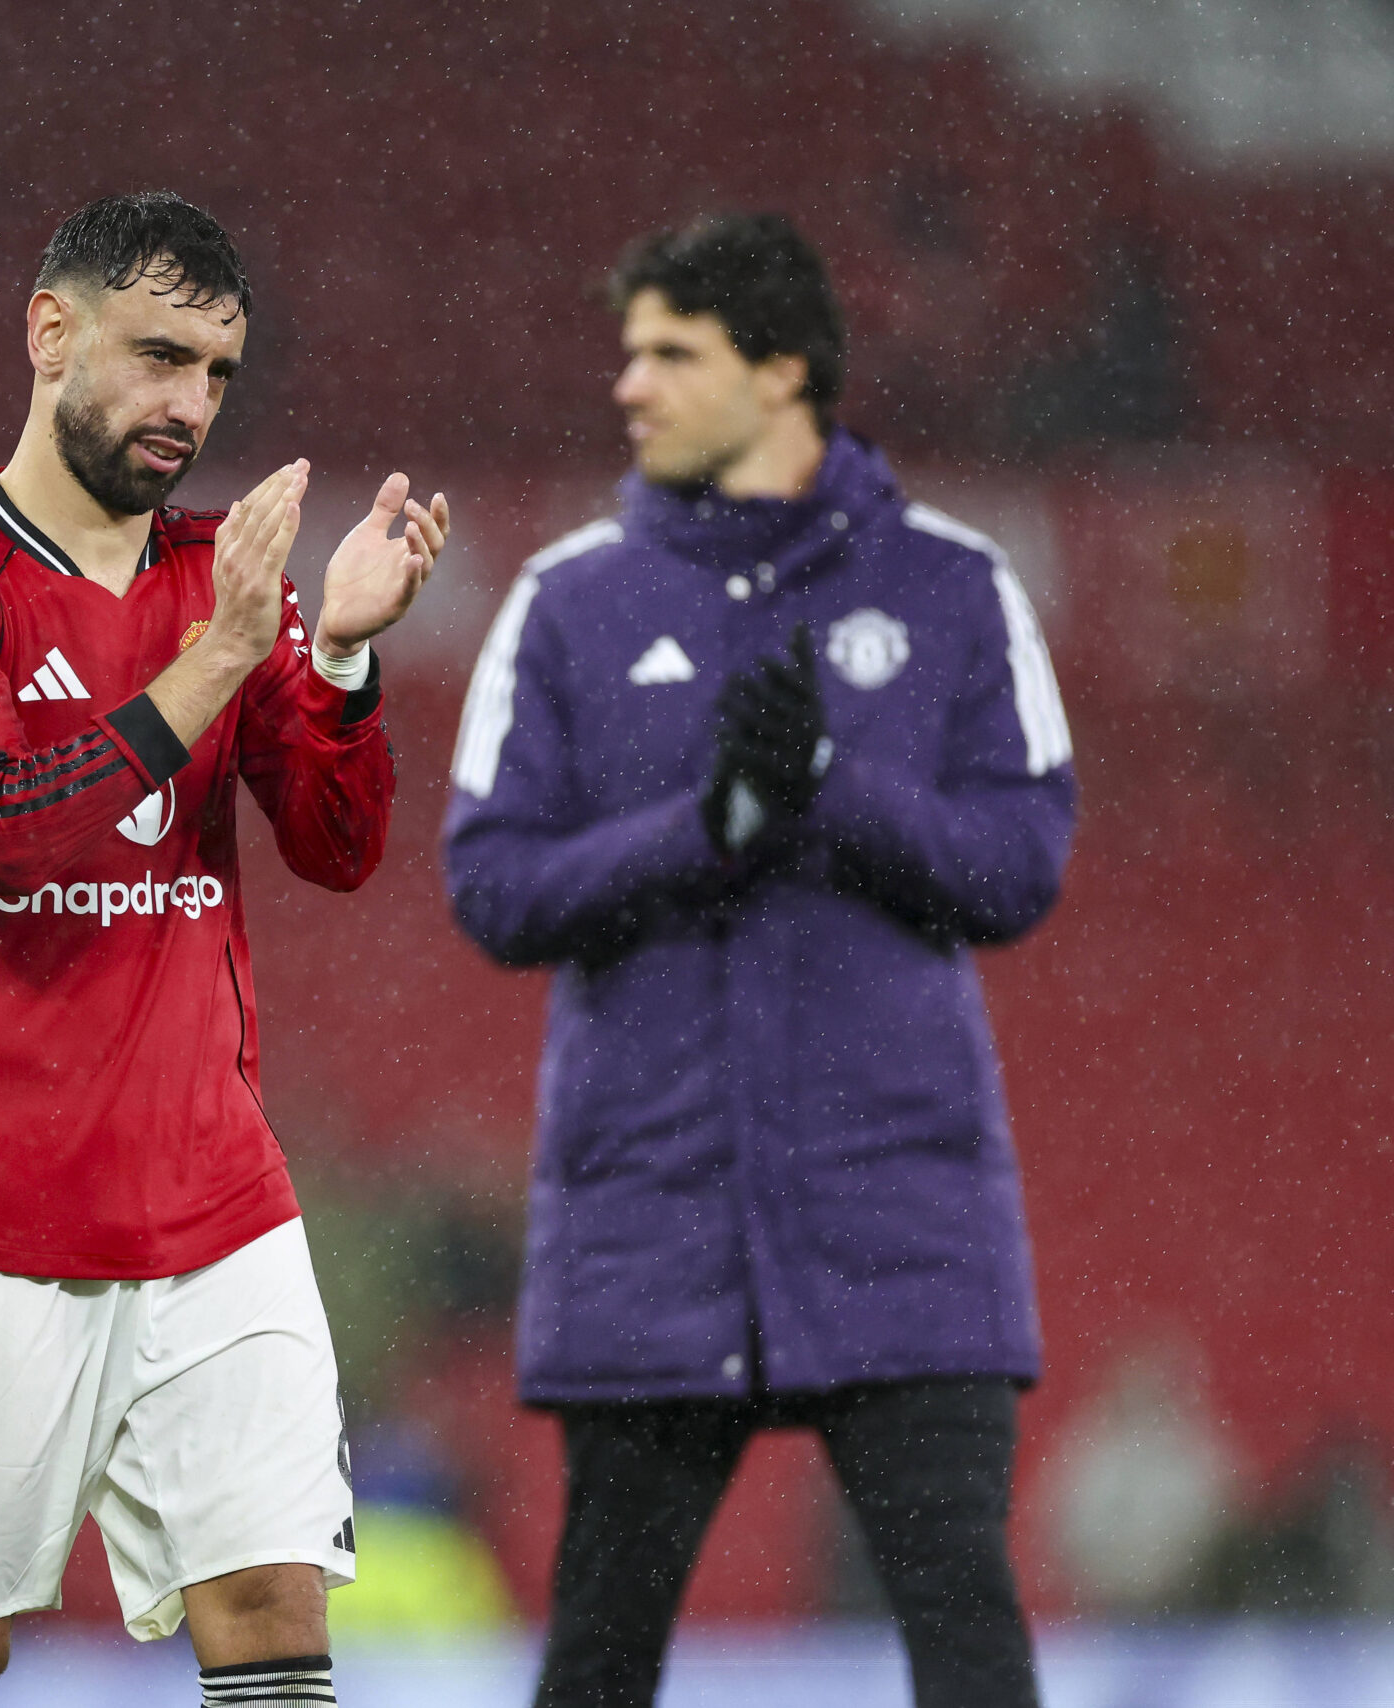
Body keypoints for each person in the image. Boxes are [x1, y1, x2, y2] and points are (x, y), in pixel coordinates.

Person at [442, 213, 1075, 1708]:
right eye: (630, 352)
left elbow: (1020, 866)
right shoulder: (568, 601)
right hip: (650, 1221)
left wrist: (833, 796)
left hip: (902, 1216)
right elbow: (491, 886)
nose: (631, 386)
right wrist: (712, 825)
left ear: (783, 370)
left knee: (971, 1650)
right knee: (597, 1659)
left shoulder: (954, 585)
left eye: (671, 352)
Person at [0, 191, 448, 1708]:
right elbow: (5, 821)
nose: (191, 407)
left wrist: (346, 651)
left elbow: (336, 844)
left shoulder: (218, 577)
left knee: (275, 1632)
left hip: (213, 1200)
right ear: (51, 333)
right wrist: (226, 654)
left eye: (220, 373)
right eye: (161, 357)